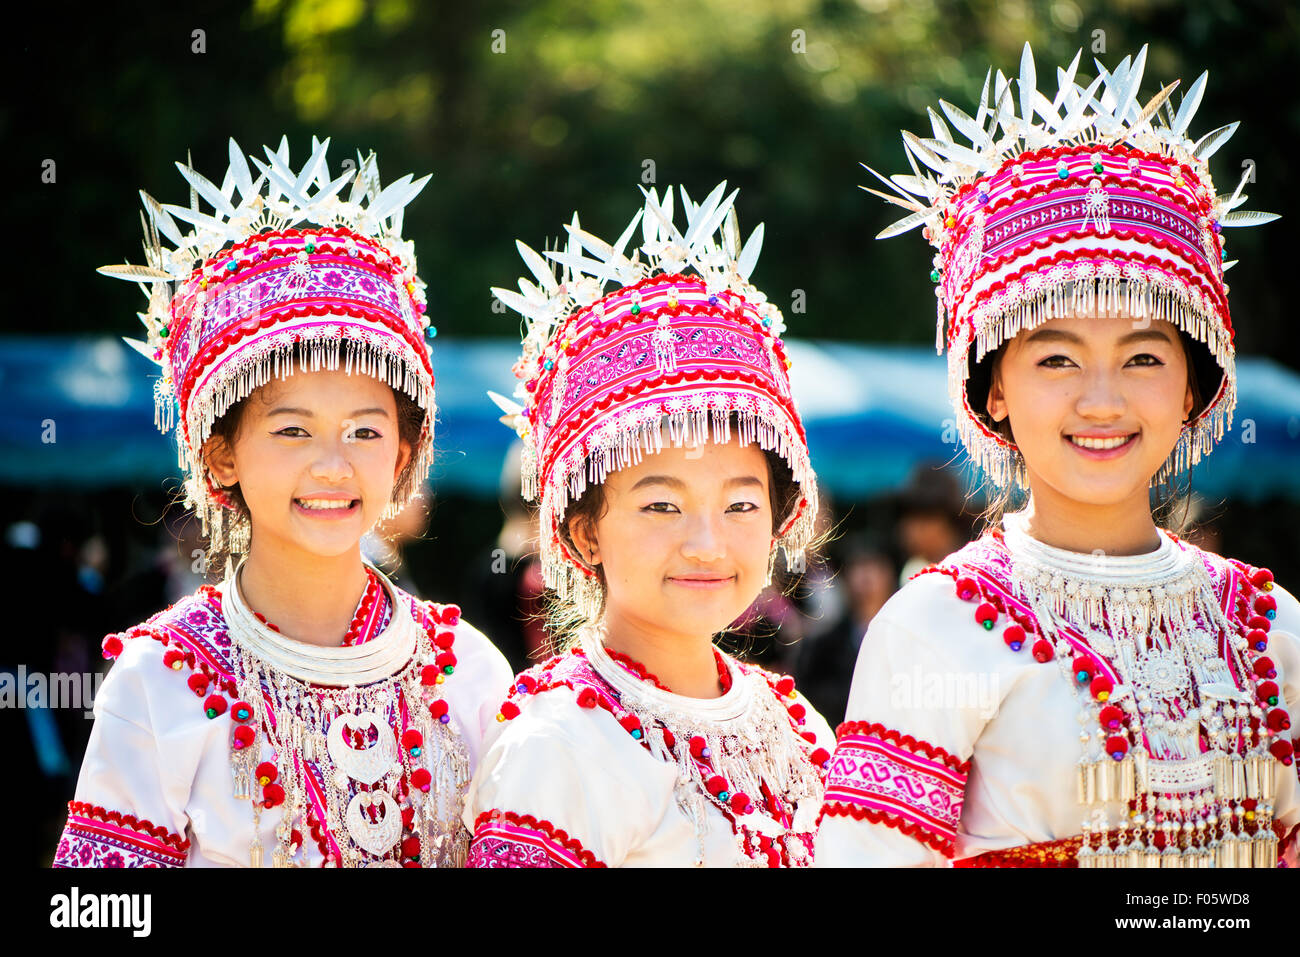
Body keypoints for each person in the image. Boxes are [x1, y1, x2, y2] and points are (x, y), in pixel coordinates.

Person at [816, 45, 1299, 867]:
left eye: (1144, 357)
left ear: (1193, 385)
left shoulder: (1275, 630)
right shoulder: (936, 629)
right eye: (1056, 358)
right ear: (993, 387)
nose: (1102, 400)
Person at [54, 137, 511, 868]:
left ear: (401, 452)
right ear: (220, 454)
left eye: (365, 430)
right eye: (292, 429)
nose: (333, 465)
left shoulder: (471, 674)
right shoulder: (160, 680)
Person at [464, 183, 832, 866]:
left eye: (741, 504)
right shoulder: (557, 745)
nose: (706, 542)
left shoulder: (798, 726)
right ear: (584, 534)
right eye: (661, 505)